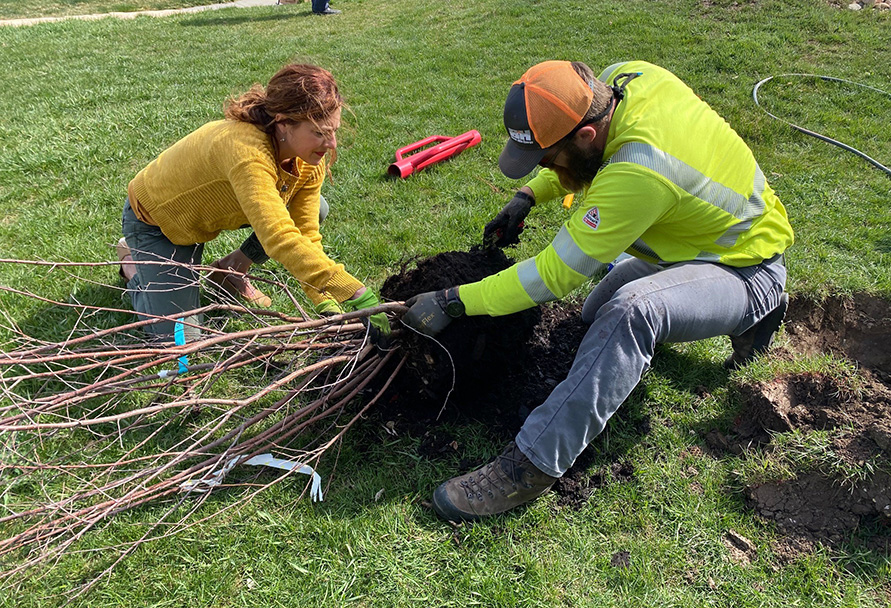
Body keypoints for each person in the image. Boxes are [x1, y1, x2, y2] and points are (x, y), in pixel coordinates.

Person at [403, 60, 793, 522]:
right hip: (682, 243)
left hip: (745, 267)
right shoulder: (623, 80)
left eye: (546, 159)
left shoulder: (642, 169)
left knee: (632, 312)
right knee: (594, 313)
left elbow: (553, 275)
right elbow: (578, 157)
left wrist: (455, 300)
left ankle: (531, 465)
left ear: (586, 134)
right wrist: (528, 195)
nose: (546, 166)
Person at [118, 62, 388, 342]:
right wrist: (356, 293)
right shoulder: (246, 153)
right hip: (160, 224)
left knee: (316, 208)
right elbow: (278, 236)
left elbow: (305, 234)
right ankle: (132, 261)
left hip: (211, 213)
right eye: (319, 133)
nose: (331, 144)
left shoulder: (309, 159)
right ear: (283, 123)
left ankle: (231, 270)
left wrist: (324, 300)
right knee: (180, 341)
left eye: (334, 131)